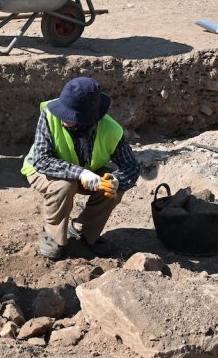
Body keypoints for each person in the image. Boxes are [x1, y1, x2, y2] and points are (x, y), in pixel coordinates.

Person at [20, 77, 140, 260]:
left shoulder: (111, 129)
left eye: (69, 115)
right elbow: (42, 159)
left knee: (111, 187)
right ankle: (53, 236)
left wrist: (116, 181)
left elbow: (131, 166)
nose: (62, 117)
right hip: (42, 171)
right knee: (64, 186)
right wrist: (80, 173)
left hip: (86, 173)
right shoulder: (49, 115)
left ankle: (83, 231)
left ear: (88, 118)